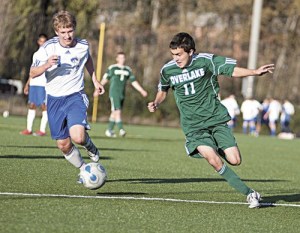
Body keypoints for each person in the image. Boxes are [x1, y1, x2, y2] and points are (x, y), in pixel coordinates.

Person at [148, 32, 275, 208]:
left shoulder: (206, 61)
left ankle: (216, 148)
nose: (175, 58)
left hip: (215, 119)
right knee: (213, 159)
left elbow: (231, 70)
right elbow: (163, 90)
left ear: (191, 52)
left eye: (179, 54)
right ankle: (250, 194)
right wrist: (156, 102)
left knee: (235, 160)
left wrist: (254, 72)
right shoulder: (167, 70)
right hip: (193, 126)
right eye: (173, 54)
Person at [29, 11, 105, 182]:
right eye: (63, 32)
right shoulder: (47, 48)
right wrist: (47, 64)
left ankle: (89, 145)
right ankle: (84, 169)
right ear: (57, 32)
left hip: (75, 96)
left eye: (70, 30)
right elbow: (32, 72)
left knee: (77, 136)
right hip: (54, 100)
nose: (67, 35)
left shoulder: (83, 46)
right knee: (63, 145)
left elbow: (88, 60)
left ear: (74, 29)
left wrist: (95, 80)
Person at [101, 52, 148, 137]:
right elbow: (105, 79)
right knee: (117, 111)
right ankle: (121, 129)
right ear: (117, 58)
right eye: (120, 57)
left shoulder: (127, 69)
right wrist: (98, 88)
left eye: (123, 58)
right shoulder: (112, 68)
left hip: (122, 94)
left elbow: (133, 81)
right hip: (114, 93)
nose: (122, 59)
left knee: (114, 112)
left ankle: (109, 130)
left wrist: (141, 90)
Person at [20, 34, 48, 136]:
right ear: (38, 42)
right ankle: (29, 129)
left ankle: (42, 130)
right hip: (34, 83)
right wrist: (27, 84)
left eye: (44, 41)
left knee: (44, 106)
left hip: (43, 83)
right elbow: (32, 70)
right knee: (31, 105)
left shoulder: (49, 54)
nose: (42, 43)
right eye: (41, 41)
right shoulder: (36, 54)